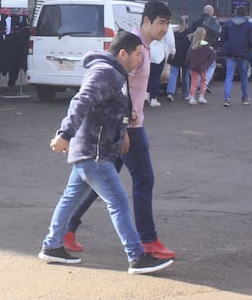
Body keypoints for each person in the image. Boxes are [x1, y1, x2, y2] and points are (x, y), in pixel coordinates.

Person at [38, 31, 174, 275]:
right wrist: (64, 134)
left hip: (92, 148)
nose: (141, 60)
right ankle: (136, 256)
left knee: (70, 198)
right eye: (138, 55)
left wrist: (124, 129)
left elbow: (107, 107)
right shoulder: (106, 72)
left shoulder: (114, 72)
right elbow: (81, 101)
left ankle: (52, 245)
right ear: (123, 53)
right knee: (119, 202)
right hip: (94, 151)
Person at [62, 0, 177, 260]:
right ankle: (146, 241)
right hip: (129, 127)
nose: (164, 29)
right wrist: (125, 125)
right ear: (146, 21)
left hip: (125, 124)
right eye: (161, 23)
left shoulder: (143, 46)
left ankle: (67, 230)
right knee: (143, 179)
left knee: (98, 180)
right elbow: (118, 85)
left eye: (167, 24)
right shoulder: (134, 48)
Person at [221, 5, 252, 107]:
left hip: (230, 52)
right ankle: (245, 98)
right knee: (244, 76)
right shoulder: (250, 26)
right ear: (245, 13)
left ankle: (227, 99)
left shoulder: (228, 24)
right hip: (244, 53)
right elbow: (251, 41)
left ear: (236, 12)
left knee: (229, 75)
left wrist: (225, 46)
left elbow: (222, 38)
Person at [189, 4, 219, 91]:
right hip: (207, 47)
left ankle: (196, 86)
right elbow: (216, 35)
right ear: (209, 12)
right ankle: (203, 84)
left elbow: (192, 34)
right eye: (212, 11)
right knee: (211, 65)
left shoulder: (196, 21)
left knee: (197, 68)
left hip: (196, 47)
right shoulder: (213, 22)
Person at [186, 27, 216, 105]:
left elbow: (189, 56)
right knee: (203, 81)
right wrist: (206, 65)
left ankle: (192, 97)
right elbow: (212, 54)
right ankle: (201, 96)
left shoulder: (193, 44)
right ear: (203, 35)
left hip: (194, 67)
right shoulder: (206, 45)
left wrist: (189, 63)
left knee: (193, 82)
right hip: (203, 67)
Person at [147, 23, 174, 107]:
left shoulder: (149, 21)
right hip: (159, 54)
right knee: (156, 76)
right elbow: (170, 41)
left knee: (147, 75)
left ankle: (145, 95)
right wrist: (173, 51)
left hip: (147, 52)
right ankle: (153, 99)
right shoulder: (166, 25)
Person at [166, 15, 190, 101]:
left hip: (175, 56)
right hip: (186, 58)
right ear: (187, 22)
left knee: (173, 75)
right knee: (185, 76)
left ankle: (170, 92)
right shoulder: (190, 33)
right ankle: (185, 94)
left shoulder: (174, 32)